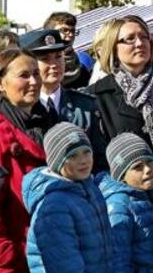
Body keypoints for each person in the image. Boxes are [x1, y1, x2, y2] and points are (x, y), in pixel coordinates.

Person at [0, 48, 50, 273]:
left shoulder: (52, 122)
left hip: (57, 249)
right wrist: (5, 265)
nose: (33, 82)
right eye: (23, 75)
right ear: (0, 83)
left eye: (36, 74)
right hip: (19, 255)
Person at [23, 122, 112, 273]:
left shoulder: (90, 189)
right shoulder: (54, 207)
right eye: (72, 155)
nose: (83, 160)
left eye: (86, 152)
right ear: (57, 161)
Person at [20, 29, 108, 171]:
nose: (54, 64)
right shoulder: (20, 109)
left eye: (58, 56)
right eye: (45, 59)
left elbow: (100, 159)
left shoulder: (85, 105)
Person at [95, 133, 153, 273]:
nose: (148, 169)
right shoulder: (119, 206)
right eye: (137, 167)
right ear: (121, 175)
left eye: (150, 162)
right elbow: (118, 261)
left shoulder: (144, 193)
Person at [87, 15, 153, 145]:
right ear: (113, 48)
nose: (139, 43)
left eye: (143, 37)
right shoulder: (95, 96)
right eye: (130, 39)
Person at [43, 12, 91, 89]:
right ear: (49, 34)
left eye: (73, 31)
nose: (71, 35)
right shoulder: (35, 69)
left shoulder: (82, 71)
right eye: (64, 30)